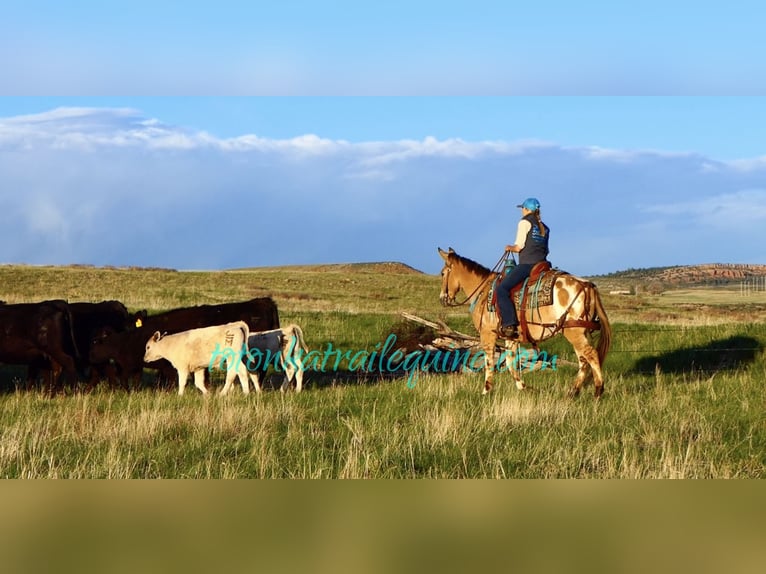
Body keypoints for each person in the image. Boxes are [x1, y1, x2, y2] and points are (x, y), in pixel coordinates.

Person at [495, 197, 550, 339]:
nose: (521, 211)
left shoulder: (524, 222)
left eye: (522, 208)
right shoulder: (545, 227)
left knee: (502, 289)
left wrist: (509, 247)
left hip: (528, 265)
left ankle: (509, 324)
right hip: (543, 265)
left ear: (526, 209)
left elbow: (519, 247)